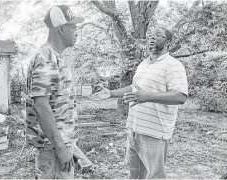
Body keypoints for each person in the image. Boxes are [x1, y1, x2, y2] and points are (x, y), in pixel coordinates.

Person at [90, 27, 188, 179]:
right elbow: (134, 88)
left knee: (154, 176)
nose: (152, 38)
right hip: (134, 130)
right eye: (151, 35)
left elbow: (180, 96)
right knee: (135, 175)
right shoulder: (144, 64)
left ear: (167, 42)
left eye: (158, 35)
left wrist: (147, 97)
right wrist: (111, 93)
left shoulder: (173, 65)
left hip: (155, 133)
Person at [24, 5, 84, 179]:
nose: (76, 32)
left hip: (58, 146)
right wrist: (61, 148)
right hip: (53, 149)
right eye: (73, 27)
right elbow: (41, 106)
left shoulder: (54, 56)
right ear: (62, 29)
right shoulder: (46, 58)